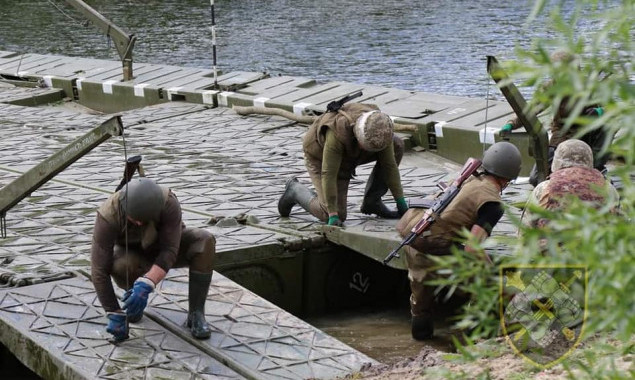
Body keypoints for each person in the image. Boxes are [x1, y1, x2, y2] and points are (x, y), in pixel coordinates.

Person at [395, 141, 522, 340]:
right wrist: (495, 278)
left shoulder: (469, 178)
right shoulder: (493, 204)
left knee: (420, 304)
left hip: (415, 239)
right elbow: (473, 248)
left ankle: (421, 340)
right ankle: (473, 339)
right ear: (509, 176)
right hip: (440, 245)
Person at [90, 177, 216, 342]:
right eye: (134, 220)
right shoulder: (108, 215)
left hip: (163, 248)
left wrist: (147, 283)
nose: (139, 223)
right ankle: (132, 302)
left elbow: (170, 250)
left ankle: (196, 313)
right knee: (122, 265)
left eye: (144, 220)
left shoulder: (169, 202)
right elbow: (99, 269)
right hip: (133, 255)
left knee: (204, 241)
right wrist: (113, 311)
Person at [278, 102, 408, 226]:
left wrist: (400, 202)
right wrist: (333, 214)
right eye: (365, 146)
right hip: (320, 157)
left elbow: (389, 166)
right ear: (358, 136)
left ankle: (372, 202)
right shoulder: (337, 134)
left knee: (397, 145)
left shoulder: (381, 129)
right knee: (331, 213)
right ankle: (294, 190)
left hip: (351, 154)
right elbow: (328, 174)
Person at [499, 50, 611, 186]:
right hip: (562, 136)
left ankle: (598, 167)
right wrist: (511, 123)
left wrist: (600, 111)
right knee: (537, 179)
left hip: (587, 135)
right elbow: (531, 109)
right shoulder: (551, 87)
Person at [521, 139, 619, 229]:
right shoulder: (608, 189)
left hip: (552, 246)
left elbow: (526, 229)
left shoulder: (544, 187)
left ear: (557, 160)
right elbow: (618, 225)